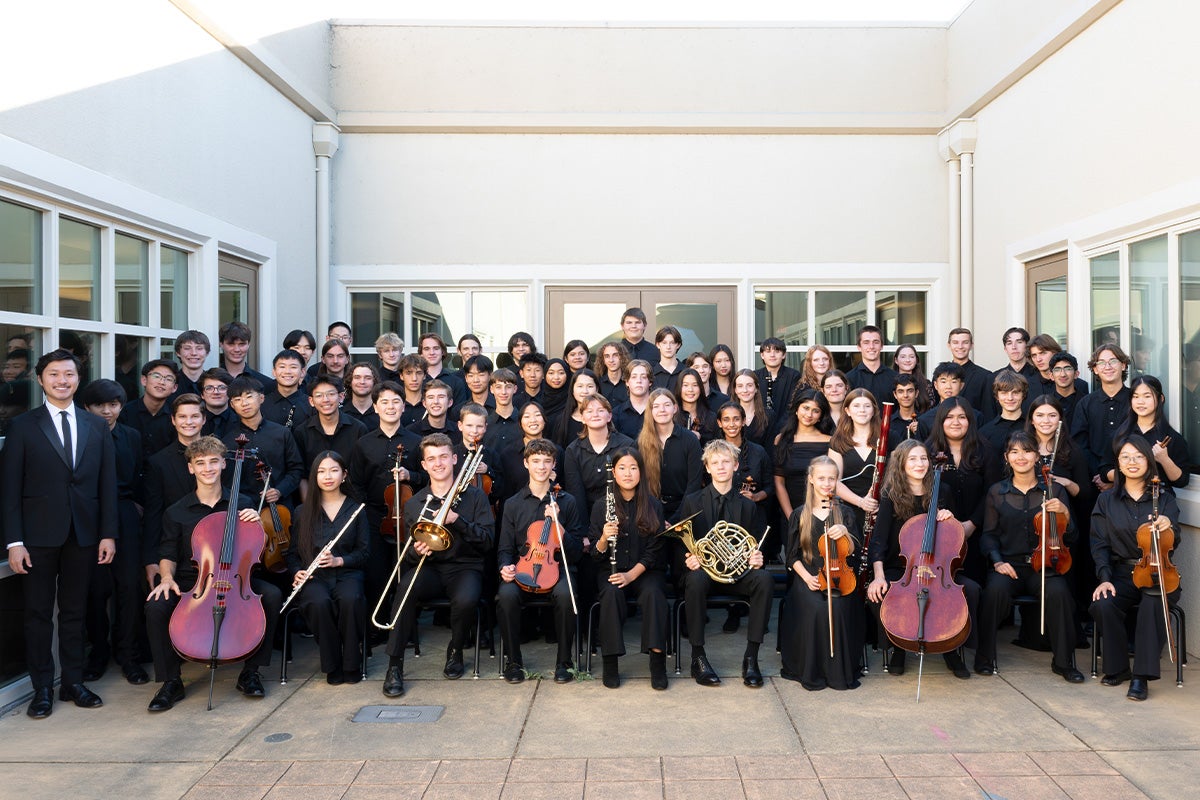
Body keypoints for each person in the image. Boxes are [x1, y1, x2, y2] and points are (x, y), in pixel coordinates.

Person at [3, 350, 118, 719]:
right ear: (41, 380)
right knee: (37, 614)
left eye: (69, 374)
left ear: (78, 379)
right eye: (54, 375)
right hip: (36, 537)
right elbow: (8, 489)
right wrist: (14, 542)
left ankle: (73, 682)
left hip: (83, 535)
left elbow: (107, 485)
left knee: (73, 612)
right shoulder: (22, 426)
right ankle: (41, 690)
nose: (62, 381)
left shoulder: (95, 426)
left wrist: (107, 534)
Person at [143, 436, 281, 712]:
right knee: (156, 607)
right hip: (192, 582)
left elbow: (256, 548)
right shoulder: (176, 511)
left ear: (223, 465)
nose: (208, 468)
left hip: (236, 578)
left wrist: (259, 524)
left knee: (273, 595)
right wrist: (166, 579)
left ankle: (250, 672)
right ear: (191, 468)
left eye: (213, 462)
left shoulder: (242, 502)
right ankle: (171, 681)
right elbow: (167, 553)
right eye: (201, 463)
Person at [382, 434, 495, 698]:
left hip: (466, 566)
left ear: (454, 458)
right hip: (430, 566)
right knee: (405, 589)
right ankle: (394, 665)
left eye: (444, 456)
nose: (439, 463)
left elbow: (487, 542)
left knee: (467, 599)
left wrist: (457, 520)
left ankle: (455, 650)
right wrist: (415, 550)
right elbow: (410, 553)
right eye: (431, 459)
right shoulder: (415, 502)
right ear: (423, 465)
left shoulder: (475, 497)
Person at [865, 440, 977, 679]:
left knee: (974, 591)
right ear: (902, 463)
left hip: (939, 568)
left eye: (923, 458)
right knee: (880, 594)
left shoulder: (942, 492)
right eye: (913, 459)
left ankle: (950, 647)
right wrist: (878, 576)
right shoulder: (891, 495)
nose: (919, 463)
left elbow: (953, 538)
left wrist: (950, 519)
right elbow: (879, 542)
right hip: (902, 568)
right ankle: (899, 647)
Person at [976, 433, 1083, 681]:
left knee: (1059, 592)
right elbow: (988, 536)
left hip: (1044, 565)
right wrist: (997, 561)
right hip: (1009, 566)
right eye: (1014, 451)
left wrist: (1065, 511)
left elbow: (1073, 537)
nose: (1021, 457)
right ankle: (984, 658)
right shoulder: (996, 492)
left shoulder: (1053, 489)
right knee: (993, 592)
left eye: (1026, 451)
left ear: (1037, 456)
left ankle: (1064, 662)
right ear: (1007, 457)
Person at [1090, 436, 1183, 701]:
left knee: (1152, 603)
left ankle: (1141, 677)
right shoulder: (1106, 501)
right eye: (1126, 457)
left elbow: (1175, 538)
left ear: (1149, 461)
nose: (1132, 462)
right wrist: (1104, 578)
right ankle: (1119, 669)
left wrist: (1169, 526)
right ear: (1118, 464)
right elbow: (1099, 543)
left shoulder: (1164, 499)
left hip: (1159, 573)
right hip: (1121, 573)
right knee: (1103, 604)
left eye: (1139, 456)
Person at [675, 440, 772, 688]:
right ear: (707, 468)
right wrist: (689, 558)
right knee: (694, 580)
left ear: (736, 465)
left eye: (726, 462)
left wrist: (757, 558)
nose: (721, 467)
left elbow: (757, 543)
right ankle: (698, 658)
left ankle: (751, 657)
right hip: (705, 575)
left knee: (764, 579)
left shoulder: (749, 506)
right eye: (715, 463)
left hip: (737, 575)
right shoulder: (692, 501)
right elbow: (677, 543)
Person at [495, 439, 585, 684]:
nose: (541, 467)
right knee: (506, 596)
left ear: (554, 464)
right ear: (526, 463)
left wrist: (560, 527)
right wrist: (505, 567)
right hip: (524, 568)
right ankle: (513, 661)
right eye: (535, 461)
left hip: (557, 567)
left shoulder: (567, 501)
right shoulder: (513, 504)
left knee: (567, 595)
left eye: (547, 461)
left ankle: (564, 661)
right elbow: (504, 548)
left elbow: (576, 552)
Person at [79, 379, 148, 685]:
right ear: (87, 407)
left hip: (124, 512)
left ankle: (128, 655)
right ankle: (97, 653)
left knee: (130, 588)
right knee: (95, 590)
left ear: (122, 406)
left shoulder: (131, 436)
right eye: (100, 405)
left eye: (114, 405)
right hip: (89, 516)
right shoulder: (79, 435)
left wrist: (134, 505)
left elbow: (137, 476)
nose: (107, 411)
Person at [780, 456, 863, 690]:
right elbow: (792, 557)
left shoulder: (845, 513)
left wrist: (846, 533)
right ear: (811, 480)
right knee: (816, 608)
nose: (827, 483)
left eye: (832, 478)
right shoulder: (800, 514)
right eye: (822, 478)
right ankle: (811, 669)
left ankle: (838, 672)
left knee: (838, 606)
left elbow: (855, 551)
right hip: (808, 576)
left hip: (839, 576)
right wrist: (807, 578)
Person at [287, 451, 370, 685]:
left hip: (348, 574)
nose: (327, 476)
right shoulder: (303, 512)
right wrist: (297, 572)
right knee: (318, 603)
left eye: (334, 470)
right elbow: (293, 554)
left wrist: (339, 561)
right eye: (321, 471)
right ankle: (332, 662)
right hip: (316, 577)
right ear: (314, 476)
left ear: (344, 475)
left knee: (351, 599)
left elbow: (365, 553)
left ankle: (352, 661)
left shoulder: (357, 509)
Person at [590, 447, 670, 689]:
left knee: (655, 595)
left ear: (641, 472)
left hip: (645, 570)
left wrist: (632, 574)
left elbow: (655, 550)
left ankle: (657, 663)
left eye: (633, 468)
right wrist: (604, 537)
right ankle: (610, 663)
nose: (628, 473)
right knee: (611, 595)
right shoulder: (602, 505)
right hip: (612, 570)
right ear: (613, 472)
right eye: (622, 468)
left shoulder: (653, 505)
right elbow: (595, 555)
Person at [348, 380, 425, 629]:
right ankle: (377, 625)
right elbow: (356, 484)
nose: (391, 407)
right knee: (376, 574)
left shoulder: (416, 442)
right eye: (385, 402)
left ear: (404, 407)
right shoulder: (363, 443)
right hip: (373, 517)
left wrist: (410, 476)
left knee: (406, 572)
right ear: (375, 407)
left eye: (396, 402)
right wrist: (363, 514)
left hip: (409, 517)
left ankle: (405, 625)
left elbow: (427, 479)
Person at [926, 397, 1003, 586]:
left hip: (977, 533)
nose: (956, 422)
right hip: (937, 536)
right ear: (940, 420)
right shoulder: (927, 451)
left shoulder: (986, 450)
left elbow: (992, 492)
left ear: (970, 420)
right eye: (949, 417)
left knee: (975, 586)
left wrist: (972, 524)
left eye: (962, 417)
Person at [142, 395, 207, 588]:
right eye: (182, 417)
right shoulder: (158, 463)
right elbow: (153, 514)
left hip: (217, 546)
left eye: (195, 416)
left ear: (204, 419)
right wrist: (151, 559)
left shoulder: (221, 457)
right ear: (173, 420)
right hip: (174, 550)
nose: (188, 422)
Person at [1102, 376, 1190, 489]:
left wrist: (1164, 459)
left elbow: (1182, 481)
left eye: (1147, 396)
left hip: (1159, 501)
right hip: (1124, 500)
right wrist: (1131, 472)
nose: (1140, 402)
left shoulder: (1172, 437)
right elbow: (1104, 471)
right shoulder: (1120, 434)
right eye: (1135, 396)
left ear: (1160, 399)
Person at [562, 393, 636, 518]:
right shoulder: (573, 451)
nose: (595, 415)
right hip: (587, 518)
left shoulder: (627, 445)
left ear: (609, 416)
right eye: (589, 411)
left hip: (623, 515)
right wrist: (584, 534)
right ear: (583, 418)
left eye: (600, 410)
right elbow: (576, 493)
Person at [1071, 344, 1132, 492]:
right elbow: (1079, 445)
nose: (1108, 366)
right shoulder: (1085, 404)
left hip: (1131, 480)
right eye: (1101, 363)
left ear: (1123, 365)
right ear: (1095, 369)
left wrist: (1114, 477)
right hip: (1094, 483)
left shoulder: (1136, 400)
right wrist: (1101, 476)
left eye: (1113, 361)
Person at [638, 388, 704, 523]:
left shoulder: (690, 440)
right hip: (652, 514)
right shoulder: (640, 443)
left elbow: (694, 485)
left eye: (667, 405)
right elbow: (640, 486)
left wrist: (676, 520)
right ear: (650, 411)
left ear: (675, 408)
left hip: (686, 513)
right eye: (656, 406)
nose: (662, 410)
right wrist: (655, 517)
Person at [826, 388, 881, 535]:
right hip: (851, 509)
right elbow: (834, 481)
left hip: (883, 508)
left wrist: (881, 504)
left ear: (874, 410)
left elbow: (897, 476)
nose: (862, 410)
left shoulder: (888, 437)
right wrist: (861, 502)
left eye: (867, 406)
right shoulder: (838, 441)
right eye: (856, 406)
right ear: (848, 411)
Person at [294, 375, 367, 484]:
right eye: (319, 395)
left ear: (341, 397)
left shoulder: (358, 429)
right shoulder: (301, 432)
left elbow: (363, 471)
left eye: (331, 394)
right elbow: (301, 474)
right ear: (311, 401)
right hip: (315, 497)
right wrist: (309, 501)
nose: (325, 400)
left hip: (352, 496)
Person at [774, 388, 833, 521]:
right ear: (796, 409)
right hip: (790, 511)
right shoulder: (781, 439)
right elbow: (779, 483)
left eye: (815, 411)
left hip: (822, 513)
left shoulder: (829, 441)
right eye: (805, 408)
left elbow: (833, 482)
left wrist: (823, 516)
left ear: (821, 416)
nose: (809, 414)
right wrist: (792, 518)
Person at [118, 359, 179, 459]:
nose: (161, 382)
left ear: (174, 388)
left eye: (168, 379)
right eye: (156, 376)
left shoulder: (177, 416)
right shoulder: (125, 413)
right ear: (144, 380)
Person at [946, 327, 995, 422]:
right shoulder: (941, 375)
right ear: (949, 345)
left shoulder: (985, 376)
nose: (960, 346)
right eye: (955, 342)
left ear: (971, 345)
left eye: (965, 342)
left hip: (974, 429)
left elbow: (988, 411)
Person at [756, 337, 801, 433]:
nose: (772, 355)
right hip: (759, 429)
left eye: (777, 351)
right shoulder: (755, 376)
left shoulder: (794, 376)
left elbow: (792, 406)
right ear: (762, 355)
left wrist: (780, 430)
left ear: (784, 355)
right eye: (768, 351)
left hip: (786, 430)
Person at [262, 349, 313, 431]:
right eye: (282, 367)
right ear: (274, 372)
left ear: (303, 372)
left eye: (293, 367)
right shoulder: (261, 404)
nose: (287, 371)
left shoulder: (311, 405)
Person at [978, 371, 1029, 454]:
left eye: (1015, 392)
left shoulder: (1034, 428)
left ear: (1023, 395)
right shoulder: (984, 433)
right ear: (997, 396)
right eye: (1004, 393)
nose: (1010, 398)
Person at [846, 325, 898, 403]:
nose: (871, 346)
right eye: (866, 342)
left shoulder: (895, 377)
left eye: (876, 342)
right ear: (859, 347)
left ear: (881, 346)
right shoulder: (849, 379)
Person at [552, 368, 601, 447]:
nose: (585, 391)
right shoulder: (562, 420)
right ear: (572, 390)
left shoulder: (604, 418)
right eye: (580, 386)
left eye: (590, 386)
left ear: (597, 389)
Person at [218, 321, 273, 390]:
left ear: (248, 345)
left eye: (242, 344)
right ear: (221, 344)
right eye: (231, 344)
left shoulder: (265, 383)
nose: (237, 349)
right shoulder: (209, 381)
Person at [419, 333, 468, 407]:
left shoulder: (456, 382)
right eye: (427, 349)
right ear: (421, 353)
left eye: (436, 348)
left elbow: (459, 412)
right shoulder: (415, 381)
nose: (432, 353)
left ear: (442, 351)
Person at [406, 379, 460, 446]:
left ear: (450, 402)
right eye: (431, 397)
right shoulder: (411, 432)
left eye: (441, 397)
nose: (436, 402)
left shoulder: (459, 431)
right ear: (424, 403)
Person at [482, 367, 522, 456]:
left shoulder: (524, 422)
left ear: (515, 389)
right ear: (492, 389)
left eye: (508, 387)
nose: (503, 392)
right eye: (498, 387)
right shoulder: (485, 424)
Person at [674, 367, 717, 444]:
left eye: (695, 385)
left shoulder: (711, 417)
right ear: (679, 388)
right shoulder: (672, 416)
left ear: (700, 388)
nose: (690, 389)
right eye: (685, 385)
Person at [612, 359, 652, 439]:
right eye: (634, 377)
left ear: (650, 382)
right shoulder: (616, 414)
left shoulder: (660, 410)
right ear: (627, 382)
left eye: (643, 377)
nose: (639, 381)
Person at [1046, 351, 1086, 429]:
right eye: (1057, 369)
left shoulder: (1087, 403)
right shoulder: (1045, 404)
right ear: (1051, 376)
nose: (1063, 374)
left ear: (1076, 374)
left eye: (1067, 369)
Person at [733, 368, 770, 448]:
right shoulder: (728, 416)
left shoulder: (769, 415)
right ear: (735, 390)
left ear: (756, 388)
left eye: (749, 385)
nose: (745, 390)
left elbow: (771, 450)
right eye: (740, 386)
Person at [892, 343, 934, 413]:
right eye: (903, 357)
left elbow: (931, 410)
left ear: (916, 360)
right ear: (896, 360)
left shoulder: (926, 384)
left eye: (911, 357)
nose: (908, 360)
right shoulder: (890, 382)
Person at [197, 367, 235, 438]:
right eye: (209, 388)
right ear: (202, 394)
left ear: (230, 392)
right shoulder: (194, 423)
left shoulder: (242, 421)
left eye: (222, 388)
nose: (216, 392)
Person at [173, 330, 212, 398]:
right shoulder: (171, 384)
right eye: (187, 348)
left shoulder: (215, 385)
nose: (193, 353)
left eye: (199, 348)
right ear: (178, 353)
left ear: (207, 352)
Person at [344, 362, 381, 430]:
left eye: (368, 378)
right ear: (350, 381)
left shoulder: (383, 413)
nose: (362, 382)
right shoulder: (341, 413)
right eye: (357, 377)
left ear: (374, 382)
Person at [596, 341, 631, 406]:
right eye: (607, 356)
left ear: (622, 357)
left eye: (615, 355)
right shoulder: (597, 382)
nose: (611, 360)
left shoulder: (630, 382)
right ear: (603, 360)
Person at [398, 354, 428, 427]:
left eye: (419, 373)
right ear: (401, 376)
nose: (414, 378)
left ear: (424, 376)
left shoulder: (430, 405)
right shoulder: (395, 405)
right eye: (409, 373)